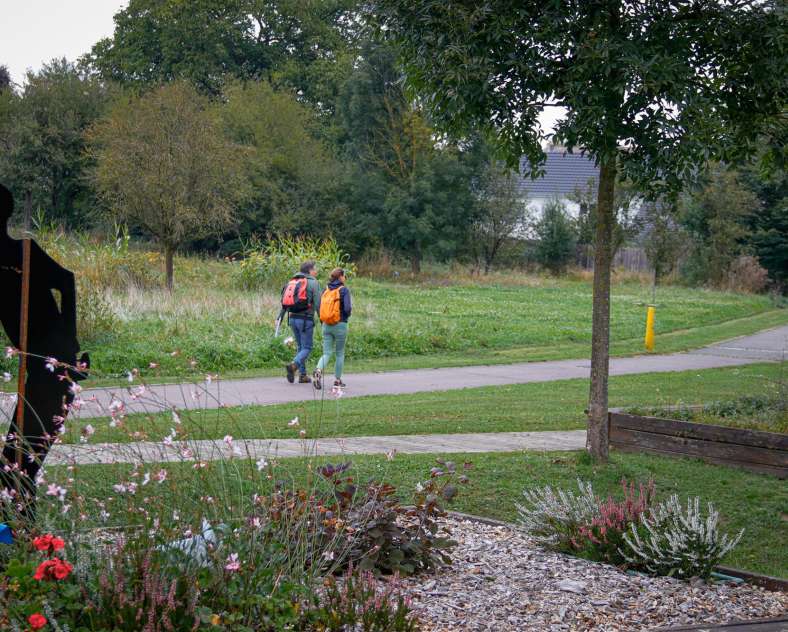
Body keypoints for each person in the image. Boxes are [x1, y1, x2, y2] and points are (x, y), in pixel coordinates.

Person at [0, 183, 87, 523]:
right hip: (35, 366)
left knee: (17, 468)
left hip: (54, 367)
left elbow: (66, 281)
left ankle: (25, 549)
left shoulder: (21, 252)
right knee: (15, 468)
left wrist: (70, 343)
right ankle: (23, 546)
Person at [277, 261, 321, 384]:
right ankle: (293, 366)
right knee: (307, 347)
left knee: (301, 347)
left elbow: (285, 302)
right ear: (310, 270)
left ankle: (302, 376)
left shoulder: (292, 281)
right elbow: (318, 304)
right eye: (315, 269)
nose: (316, 271)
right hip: (305, 319)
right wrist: (323, 321)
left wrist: (280, 318)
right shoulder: (313, 283)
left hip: (292, 318)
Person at [313, 267, 351, 391]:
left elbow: (319, 306)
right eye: (344, 276)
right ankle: (337, 380)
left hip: (326, 325)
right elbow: (347, 309)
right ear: (340, 277)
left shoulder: (326, 289)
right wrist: (345, 317)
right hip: (340, 325)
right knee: (339, 353)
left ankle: (318, 370)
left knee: (326, 353)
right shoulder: (344, 290)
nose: (345, 278)